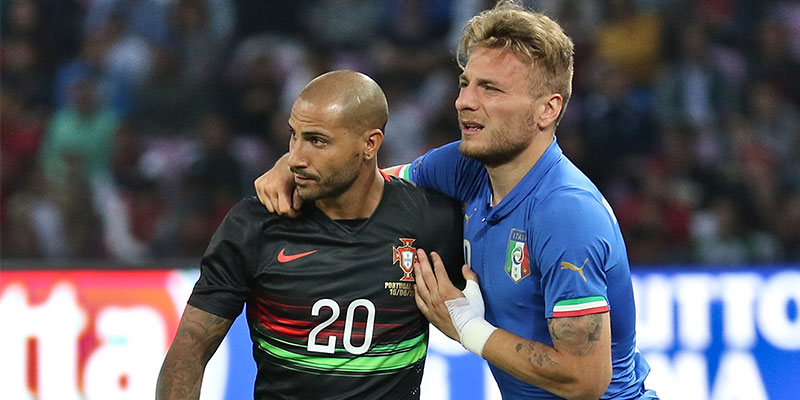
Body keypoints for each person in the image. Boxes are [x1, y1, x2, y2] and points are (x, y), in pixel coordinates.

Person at [254, 2, 658, 399]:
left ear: (547, 109)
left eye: (490, 88)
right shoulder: (466, 167)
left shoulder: (565, 211)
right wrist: (296, 164)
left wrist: (468, 327)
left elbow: (586, 380)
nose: (463, 101)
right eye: (466, 83)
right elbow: (365, 183)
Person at [157, 70, 464, 400]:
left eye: (317, 141)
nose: (296, 158)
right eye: (294, 136)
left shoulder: (432, 222)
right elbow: (190, 350)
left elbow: (495, 315)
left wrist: (466, 323)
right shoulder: (256, 225)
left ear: (370, 144)